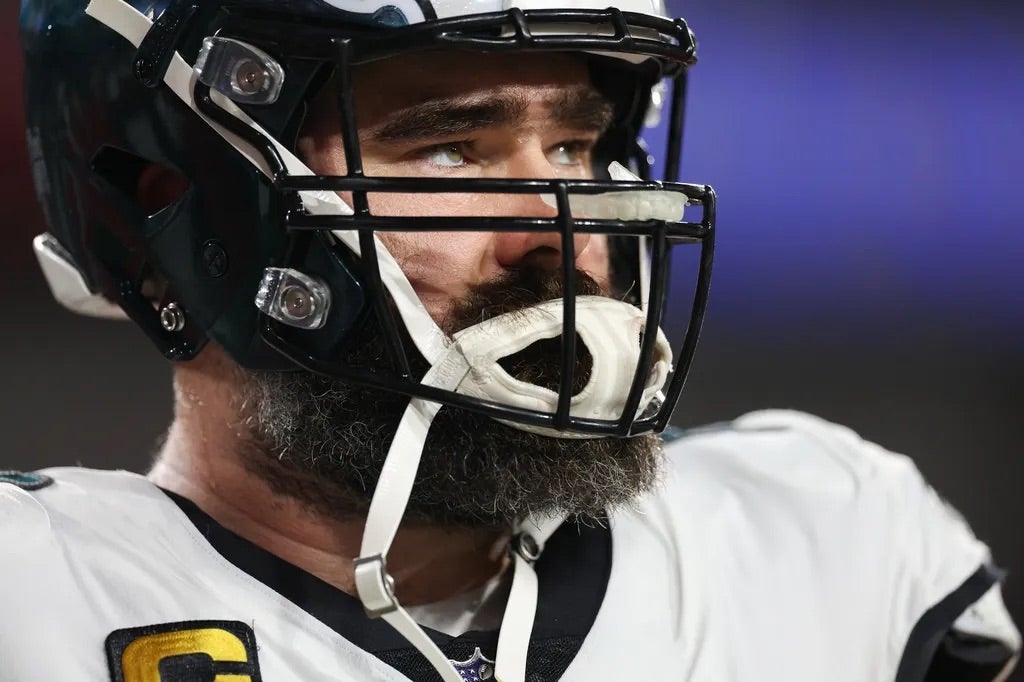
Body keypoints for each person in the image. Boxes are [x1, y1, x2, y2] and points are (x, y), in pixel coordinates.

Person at [7, 0, 1019, 680]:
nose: (560, 228)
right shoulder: (35, 598)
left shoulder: (817, 532)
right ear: (176, 211)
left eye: (575, 145)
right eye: (451, 149)